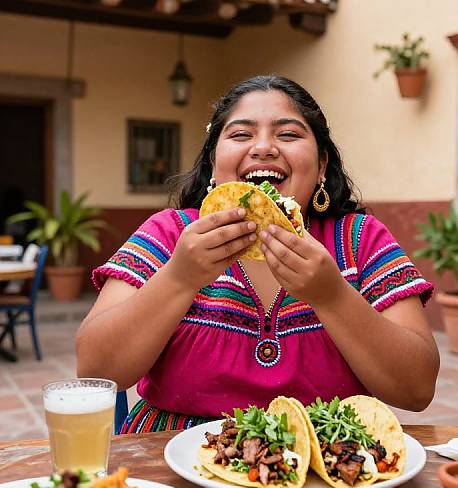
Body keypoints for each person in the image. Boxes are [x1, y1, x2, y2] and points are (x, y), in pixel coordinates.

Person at [76, 75, 439, 433]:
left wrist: (331, 296)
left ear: (322, 165)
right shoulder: (170, 234)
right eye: (240, 134)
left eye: (288, 134)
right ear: (214, 164)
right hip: (169, 461)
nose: (263, 147)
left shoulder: (359, 239)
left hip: (325, 464)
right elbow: (95, 372)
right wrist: (179, 278)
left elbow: (416, 389)